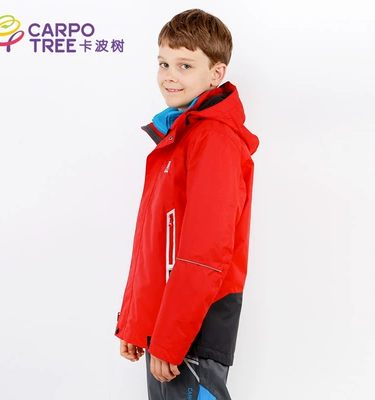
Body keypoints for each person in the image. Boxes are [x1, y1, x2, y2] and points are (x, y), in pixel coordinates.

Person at [115, 8, 259, 400]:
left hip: (192, 328)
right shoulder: (179, 138)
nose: (169, 76)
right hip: (169, 325)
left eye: (185, 65)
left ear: (216, 73)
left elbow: (205, 252)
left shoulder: (213, 140)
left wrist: (170, 337)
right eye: (164, 63)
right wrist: (138, 322)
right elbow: (157, 242)